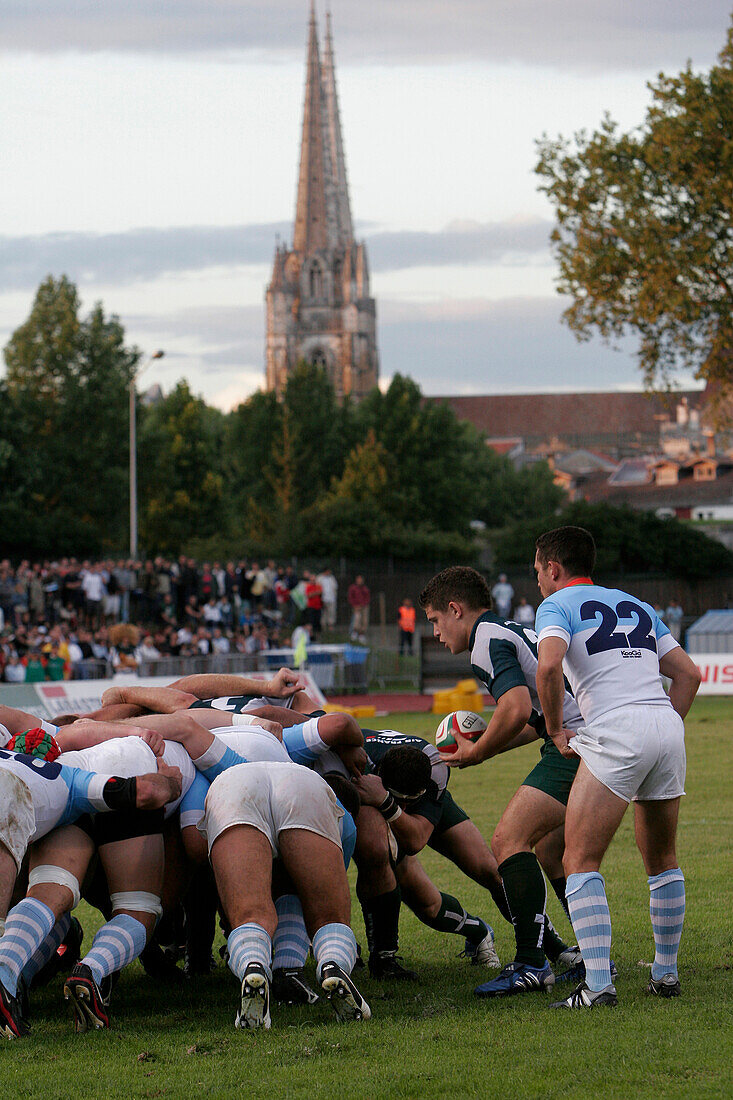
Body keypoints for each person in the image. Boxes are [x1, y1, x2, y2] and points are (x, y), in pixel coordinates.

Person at [533, 525, 701, 1009]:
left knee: (578, 860)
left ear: (554, 568)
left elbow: (548, 668)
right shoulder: (638, 604)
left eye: (538, 571)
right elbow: (688, 674)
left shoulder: (556, 605)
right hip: (664, 725)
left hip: (616, 728)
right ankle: (665, 976)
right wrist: (662, 727)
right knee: (662, 859)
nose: (538, 581)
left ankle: (598, 987)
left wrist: (556, 730)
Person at [419, 566, 583, 999]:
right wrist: (485, 749)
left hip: (576, 743)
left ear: (455, 609)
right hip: (580, 736)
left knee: (508, 841)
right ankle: (588, 956)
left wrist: (477, 752)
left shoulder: (485, 643)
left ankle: (531, 963)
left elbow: (511, 710)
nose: (435, 632)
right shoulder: (506, 629)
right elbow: (535, 721)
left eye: (435, 620)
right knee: (551, 850)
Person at [348, 576, 370, 643]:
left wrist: (363, 604)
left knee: (364, 621)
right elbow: (350, 597)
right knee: (357, 619)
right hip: (356, 607)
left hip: (364, 607)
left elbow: (367, 598)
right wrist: (354, 605)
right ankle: (354, 633)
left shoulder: (365, 589)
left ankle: (361, 635)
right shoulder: (352, 588)